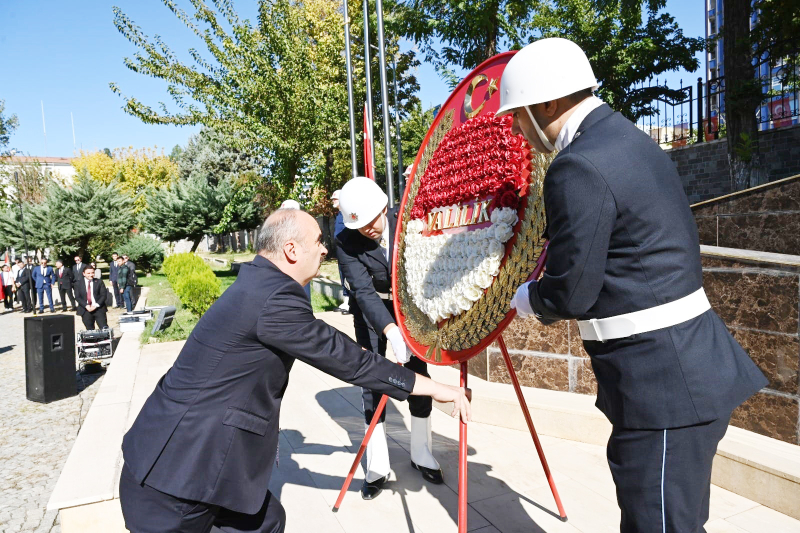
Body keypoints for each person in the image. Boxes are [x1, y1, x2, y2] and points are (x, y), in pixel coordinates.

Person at [500, 38, 767, 533]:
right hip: (677, 371)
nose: (518, 128)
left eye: (518, 114)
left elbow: (572, 291)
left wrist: (526, 298)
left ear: (549, 104)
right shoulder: (627, 139)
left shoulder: (577, 165)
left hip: (662, 385)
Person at [118, 208, 471, 533]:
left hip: (186, 463)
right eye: (318, 241)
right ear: (290, 250)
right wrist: (434, 387)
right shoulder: (273, 298)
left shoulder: (261, 283)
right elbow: (346, 359)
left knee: (268, 521)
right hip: (179, 480)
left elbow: (332, 346)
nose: (324, 250)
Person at [336, 177, 443, 500]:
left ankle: (422, 452)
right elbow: (364, 292)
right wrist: (389, 330)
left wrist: (408, 323)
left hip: (410, 307)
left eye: (371, 221)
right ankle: (377, 466)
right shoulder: (345, 241)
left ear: (383, 207)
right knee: (371, 379)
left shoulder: (408, 219)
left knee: (419, 374)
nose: (367, 230)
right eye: (360, 225)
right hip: (371, 312)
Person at [331, 189, 350, 314]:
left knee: (348, 277)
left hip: (347, 251)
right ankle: (346, 301)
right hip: (341, 251)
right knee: (343, 276)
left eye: (335, 199)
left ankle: (351, 303)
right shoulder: (339, 214)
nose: (333, 201)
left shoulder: (347, 214)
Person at [73, 265, 108, 330]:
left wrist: (96, 305)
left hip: (98, 308)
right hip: (85, 309)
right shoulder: (78, 283)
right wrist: (86, 306)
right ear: (84, 274)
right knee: (90, 330)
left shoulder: (99, 282)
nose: (91, 275)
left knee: (104, 328)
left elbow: (103, 295)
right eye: (88, 273)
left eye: (92, 272)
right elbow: (77, 297)